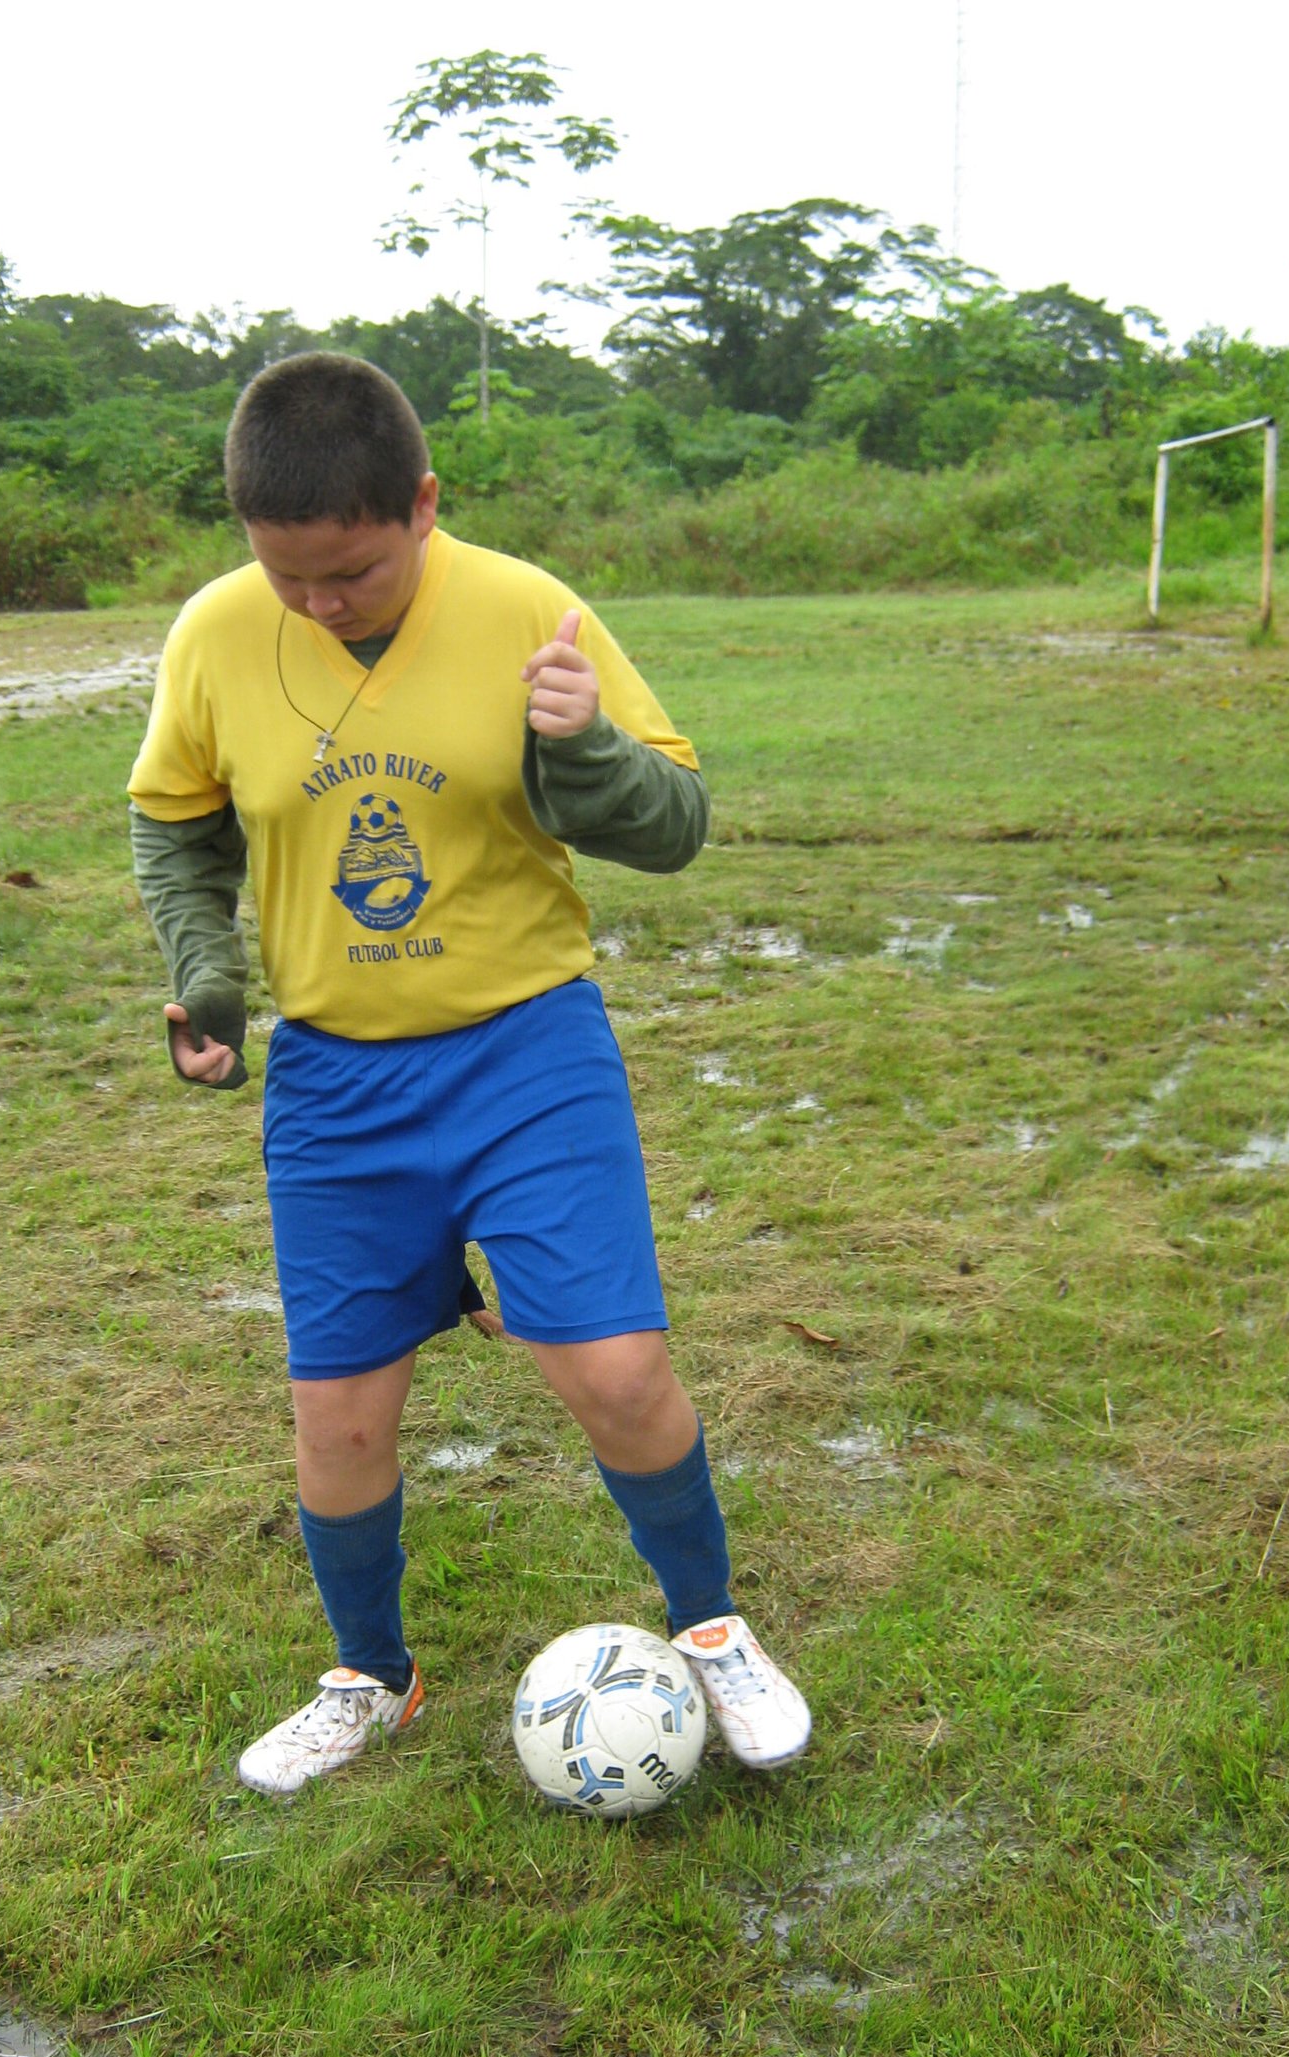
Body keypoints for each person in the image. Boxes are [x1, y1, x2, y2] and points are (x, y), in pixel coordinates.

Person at [128, 353, 810, 1798]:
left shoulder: (524, 611)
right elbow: (176, 827)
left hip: (524, 1050)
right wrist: (208, 976)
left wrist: (585, 744)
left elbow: (675, 824)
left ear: (424, 505)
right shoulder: (215, 632)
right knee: (338, 1416)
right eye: (288, 575)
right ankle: (371, 1676)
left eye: (354, 573)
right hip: (334, 1084)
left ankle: (711, 1626)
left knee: (616, 1370)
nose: (320, 604)